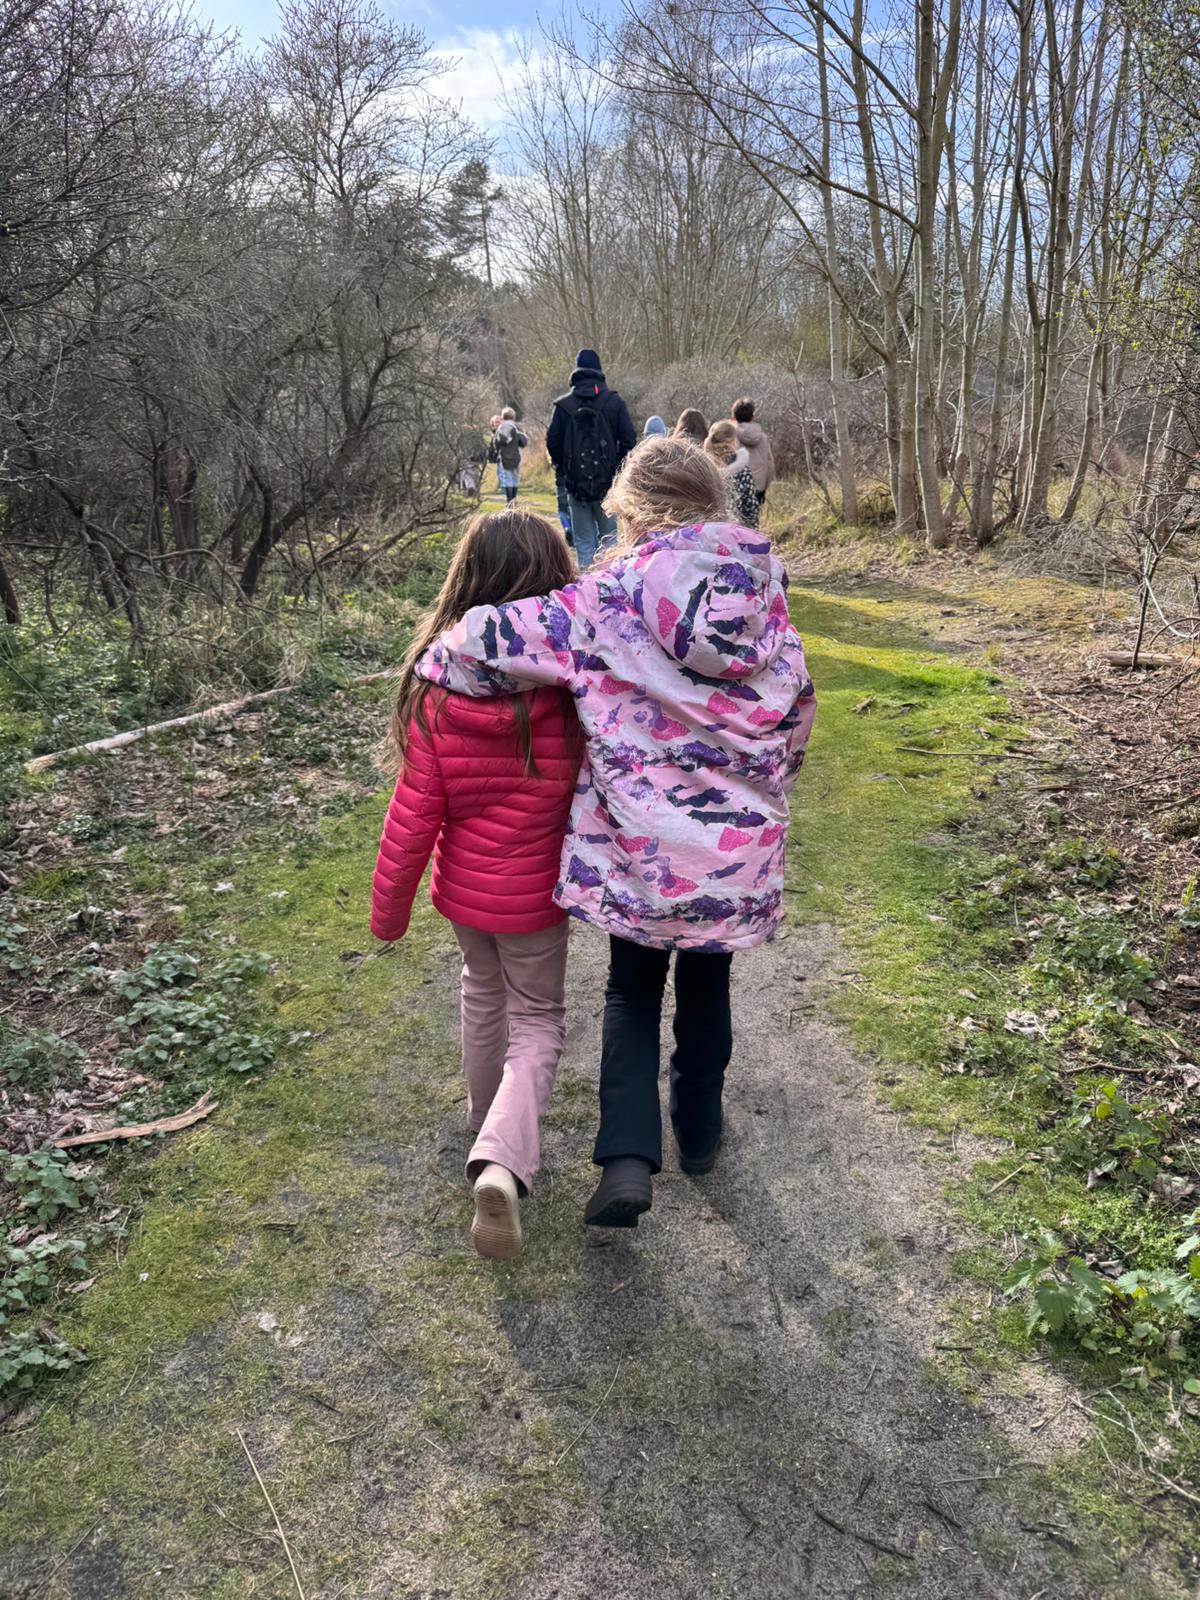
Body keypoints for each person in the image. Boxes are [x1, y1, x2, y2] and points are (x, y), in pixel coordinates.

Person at [416, 436, 816, 1230]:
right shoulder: (764, 595)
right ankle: (698, 1134)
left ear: (630, 515)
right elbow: (798, 706)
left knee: (631, 989)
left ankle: (627, 1157)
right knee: (708, 981)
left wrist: (444, 669)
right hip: (733, 848)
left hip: (640, 848)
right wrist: (771, 788)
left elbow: (475, 641)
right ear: (712, 506)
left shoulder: (602, 600)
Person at [370, 509, 582, 1261]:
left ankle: (483, 1116)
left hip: (464, 890)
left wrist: (388, 913)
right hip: (535, 896)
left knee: (481, 992)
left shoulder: (434, 684)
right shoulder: (570, 683)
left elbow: (412, 813)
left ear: (468, 580)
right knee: (538, 1019)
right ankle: (500, 1157)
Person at [545, 347, 636, 570]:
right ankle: (608, 586)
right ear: (599, 370)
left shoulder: (563, 406)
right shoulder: (614, 402)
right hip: (609, 485)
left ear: (576, 371)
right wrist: (617, 470)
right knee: (609, 540)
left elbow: (553, 444)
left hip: (576, 487)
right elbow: (629, 440)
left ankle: (587, 586)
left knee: (584, 542)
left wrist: (566, 470)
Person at [705, 420, 760, 528]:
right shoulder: (742, 470)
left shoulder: (702, 467)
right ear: (734, 441)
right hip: (734, 530)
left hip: (706, 531)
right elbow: (750, 507)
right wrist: (752, 533)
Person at [733, 397, 775, 507]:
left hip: (735, 489)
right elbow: (770, 466)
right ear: (753, 416)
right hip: (757, 490)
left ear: (734, 416)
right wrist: (763, 488)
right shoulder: (763, 438)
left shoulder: (730, 437)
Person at [489, 407, 528, 503]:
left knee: (507, 478)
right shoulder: (515, 428)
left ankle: (509, 499)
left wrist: (497, 451)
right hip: (515, 457)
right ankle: (514, 499)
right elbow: (522, 441)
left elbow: (495, 442)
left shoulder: (500, 428)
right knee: (515, 478)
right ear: (514, 417)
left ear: (502, 417)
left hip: (503, 456)